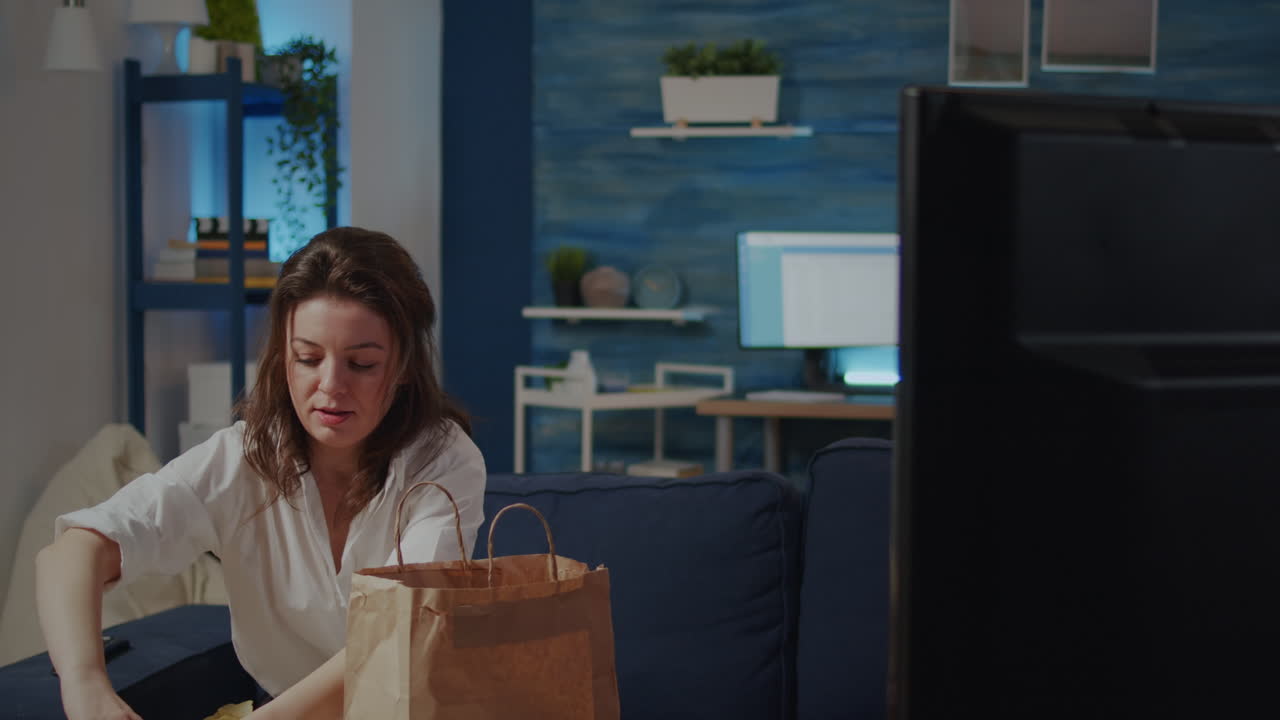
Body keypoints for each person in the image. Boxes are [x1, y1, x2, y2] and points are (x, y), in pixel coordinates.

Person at [35, 227, 487, 719]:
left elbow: (395, 635)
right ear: (282, 359)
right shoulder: (242, 459)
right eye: (308, 358)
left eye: (362, 363)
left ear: (402, 368)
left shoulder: (445, 462)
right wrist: (85, 685)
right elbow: (74, 552)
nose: (330, 386)